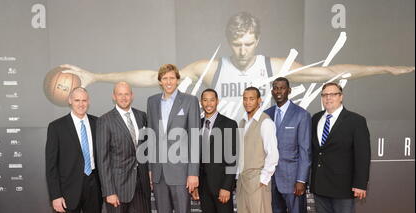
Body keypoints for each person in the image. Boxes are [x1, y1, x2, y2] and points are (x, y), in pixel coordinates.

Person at [60, 12, 414, 120]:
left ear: (257, 41)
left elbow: (329, 72)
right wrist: (96, 76)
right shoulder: (211, 67)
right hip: (222, 147)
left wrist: (384, 68)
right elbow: (154, 78)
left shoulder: (274, 65)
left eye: (249, 44)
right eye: (237, 44)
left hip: (258, 148)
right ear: (229, 43)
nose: (243, 51)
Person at [310, 82, 371, 213]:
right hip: (320, 185)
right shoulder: (316, 119)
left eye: (333, 94)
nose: (328, 98)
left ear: (341, 96)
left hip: (344, 187)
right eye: (325, 95)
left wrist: (360, 184)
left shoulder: (355, 121)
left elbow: (363, 155)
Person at [96, 82, 158, 213]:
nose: (123, 98)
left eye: (126, 94)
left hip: (140, 181)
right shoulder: (105, 120)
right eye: (119, 94)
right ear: (113, 96)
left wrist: (148, 172)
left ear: (132, 95)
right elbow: (102, 159)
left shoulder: (141, 116)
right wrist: (109, 191)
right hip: (117, 186)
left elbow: (146, 149)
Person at [147, 64, 200, 213]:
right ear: (160, 81)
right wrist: (150, 169)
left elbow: (195, 138)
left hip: (181, 173)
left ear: (177, 80)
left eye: (172, 78)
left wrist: (193, 173)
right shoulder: (152, 102)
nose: (168, 81)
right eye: (164, 78)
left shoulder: (189, 101)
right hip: (159, 172)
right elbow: (150, 136)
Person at [191, 88, 239, 213]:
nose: (208, 103)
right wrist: (194, 185)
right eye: (205, 100)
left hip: (221, 188)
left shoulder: (229, 124)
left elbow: (233, 158)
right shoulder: (197, 124)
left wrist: (227, 187)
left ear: (217, 101)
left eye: (212, 100)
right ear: (201, 102)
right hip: (202, 187)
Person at [265, 77, 311, 213]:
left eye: (282, 88)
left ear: (289, 91)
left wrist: (301, 179)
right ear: (272, 91)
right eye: (275, 88)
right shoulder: (267, 114)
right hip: (271, 179)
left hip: (293, 179)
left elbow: (305, 150)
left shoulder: (301, 115)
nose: (278, 91)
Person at [236, 86, 279, 213]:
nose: (247, 102)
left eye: (251, 98)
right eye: (245, 98)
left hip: (257, 179)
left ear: (259, 101)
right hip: (243, 179)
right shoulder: (242, 122)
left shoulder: (265, 122)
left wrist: (263, 179)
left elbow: (273, 154)